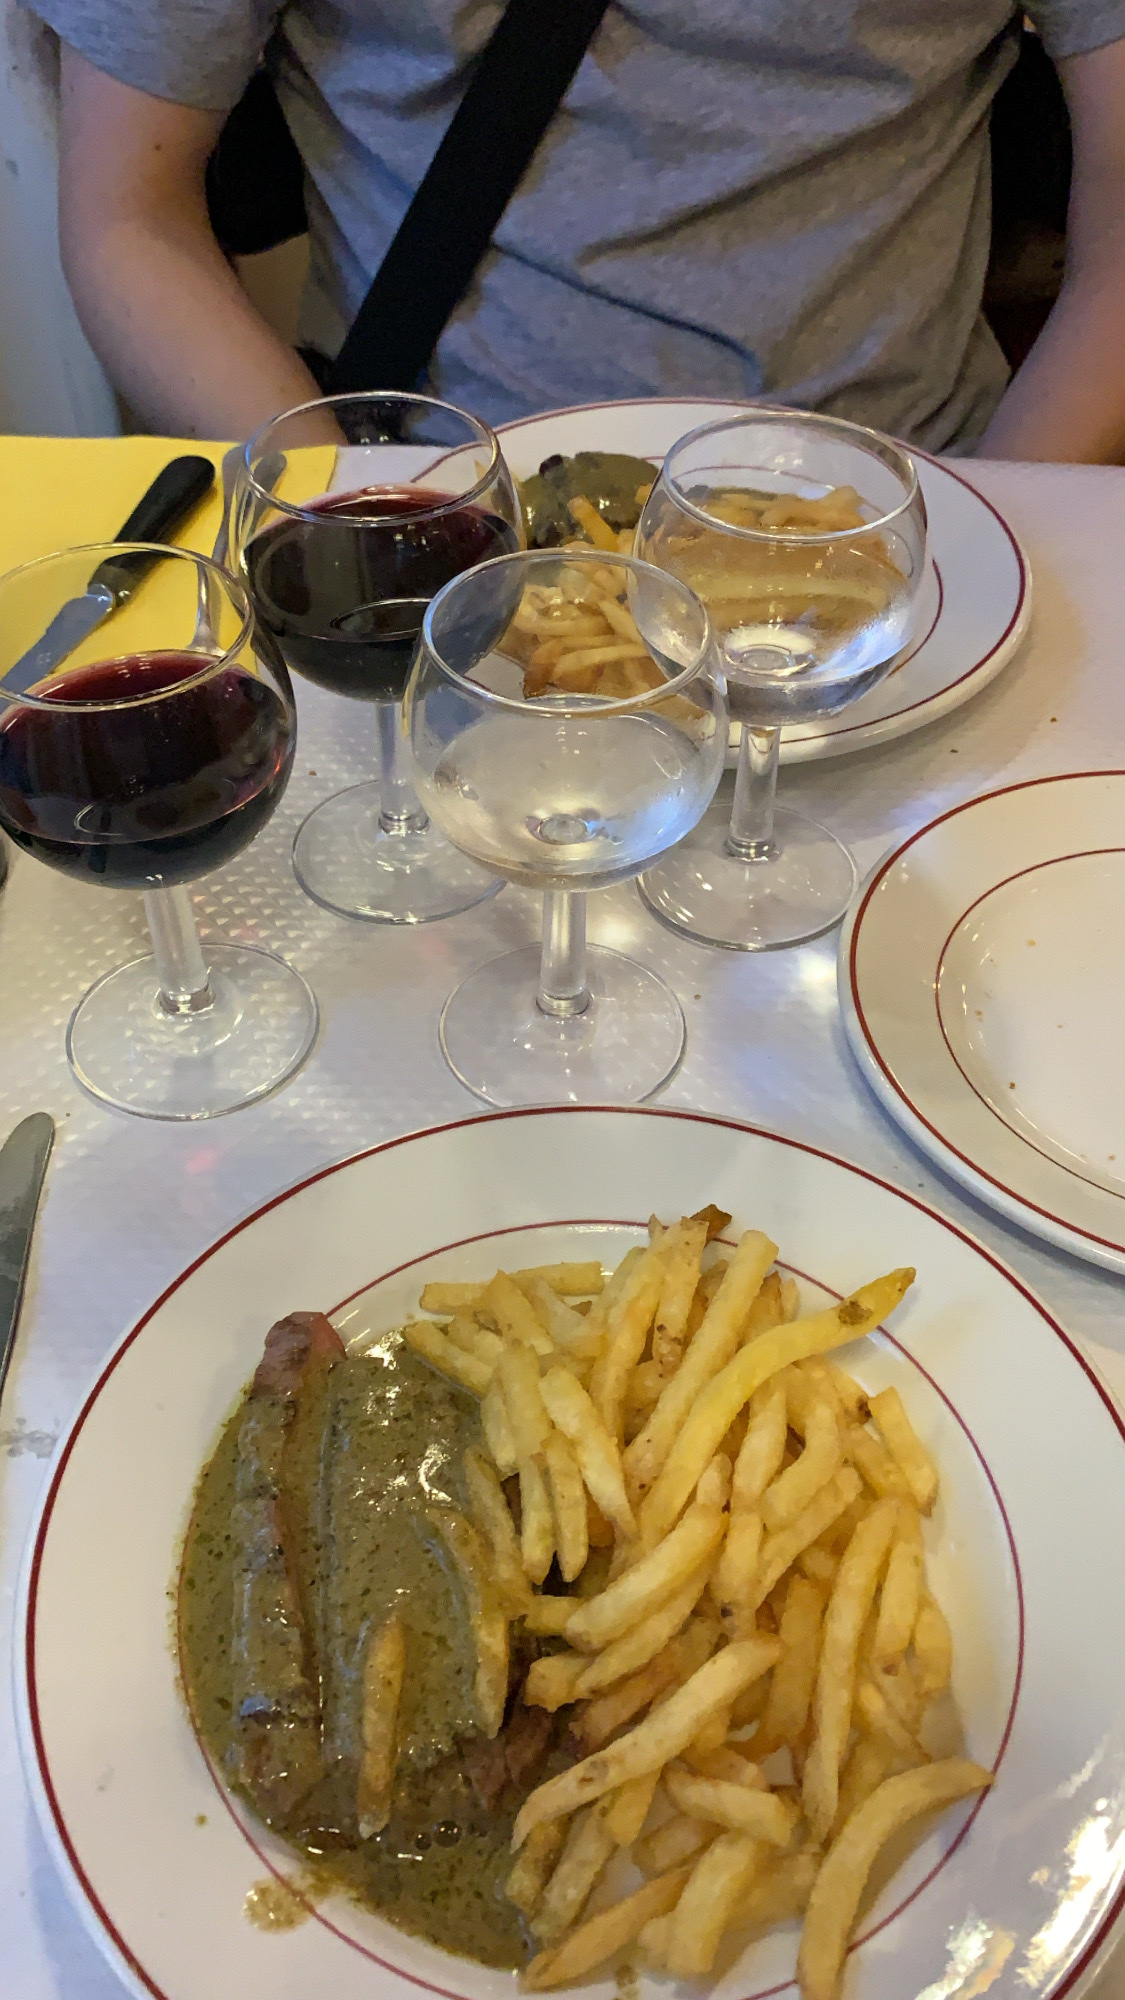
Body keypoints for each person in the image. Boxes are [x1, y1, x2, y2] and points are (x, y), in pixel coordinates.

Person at [27, 0, 1125, 459]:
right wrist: (350, 529)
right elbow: (130, 221)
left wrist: (994, 543)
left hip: (912, 494)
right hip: (431, 508)